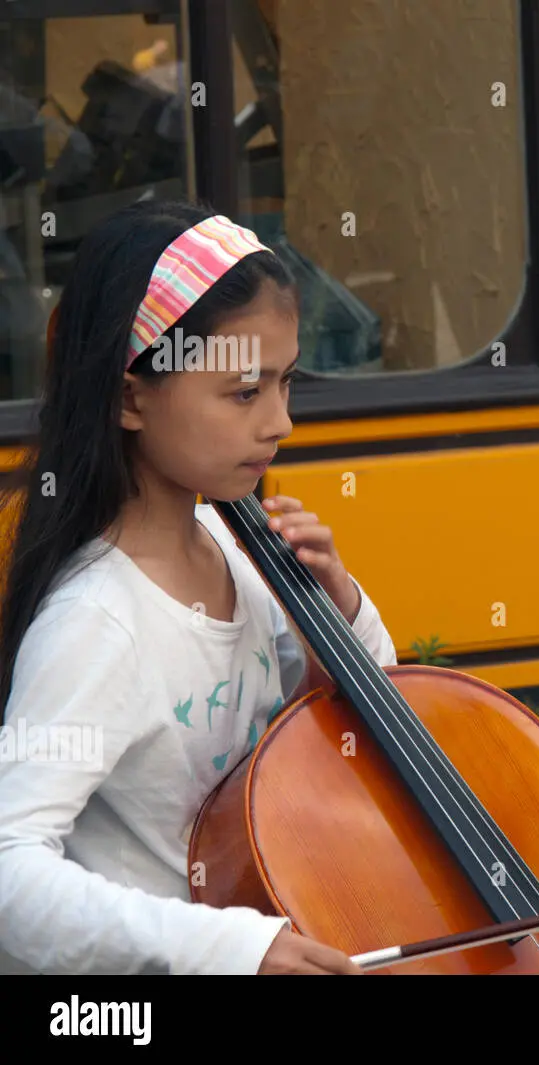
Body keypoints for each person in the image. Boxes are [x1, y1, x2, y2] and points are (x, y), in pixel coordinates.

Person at [0, 199, 399, 975]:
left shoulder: (236, 548)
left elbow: (350, 727)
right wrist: (228, 947)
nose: (280, 421)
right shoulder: (98, 622)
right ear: (128, 398)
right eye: (244, 392)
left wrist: (339, 614)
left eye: (285, 383)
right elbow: (10, 870)